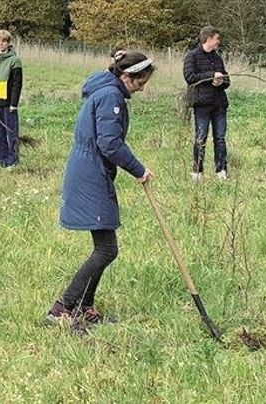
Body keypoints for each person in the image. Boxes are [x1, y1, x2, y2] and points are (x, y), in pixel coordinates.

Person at [46, 50, 155, 329]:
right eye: (140, 83)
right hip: (89, 174)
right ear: (126, 76)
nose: (141, 89)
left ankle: (84, 307)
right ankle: (64, 307)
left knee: (104, 247)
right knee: (107, 249)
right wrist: (139, 170)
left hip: (92, 170)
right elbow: (110, 143)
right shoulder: (110, 96)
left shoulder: (108, 91)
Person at [183, 26, 230, 181]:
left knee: (220, 139)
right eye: (217, 38)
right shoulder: (192, 56)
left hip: (219, 105)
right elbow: (189, 77)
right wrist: (211, 76)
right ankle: (197, 172)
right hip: (202, 104)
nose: (219, 42)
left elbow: (227, 80)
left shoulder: (218, 58)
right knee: (201, 138)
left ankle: (221, 171)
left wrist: (220, 81)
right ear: (209, 38)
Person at [0, 29, 23, 168]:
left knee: (11, 132)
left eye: (3, 41)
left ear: (8, 43)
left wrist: (14, 103)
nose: (1, 44)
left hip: (9, 104)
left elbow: (17, 84)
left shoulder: (15, 61)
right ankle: (0, 160)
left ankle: (12, 160)